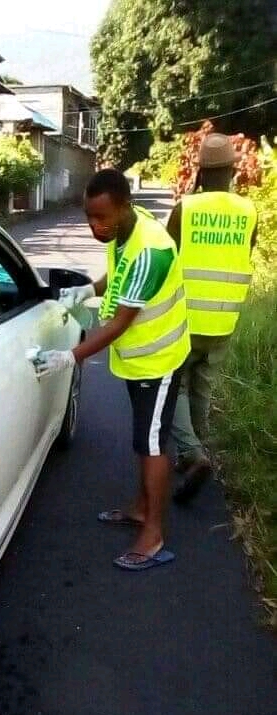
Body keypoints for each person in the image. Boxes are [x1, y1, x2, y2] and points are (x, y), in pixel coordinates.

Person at [37, 169, 190, 571]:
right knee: (143, 440)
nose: (94, 226)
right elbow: (118, 276)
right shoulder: (122, 234)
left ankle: (153, 535)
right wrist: (90, 288)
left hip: (160, 361)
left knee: (152, 444)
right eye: (89, 216)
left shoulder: (150, 251)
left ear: (125, 207)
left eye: (102, 218)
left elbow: (121, 321)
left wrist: (72, 356)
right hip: (138, 359)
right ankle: (141, 508)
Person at [166, 133, 258, 501]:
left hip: (185, 318)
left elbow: (167, 256)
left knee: (174, 387)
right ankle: (195, 455)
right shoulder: (249, 211)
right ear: (234, 172)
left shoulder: (185, 208)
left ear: (200, 171)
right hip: (224, 319)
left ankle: (192, 454)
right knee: (202, 385)